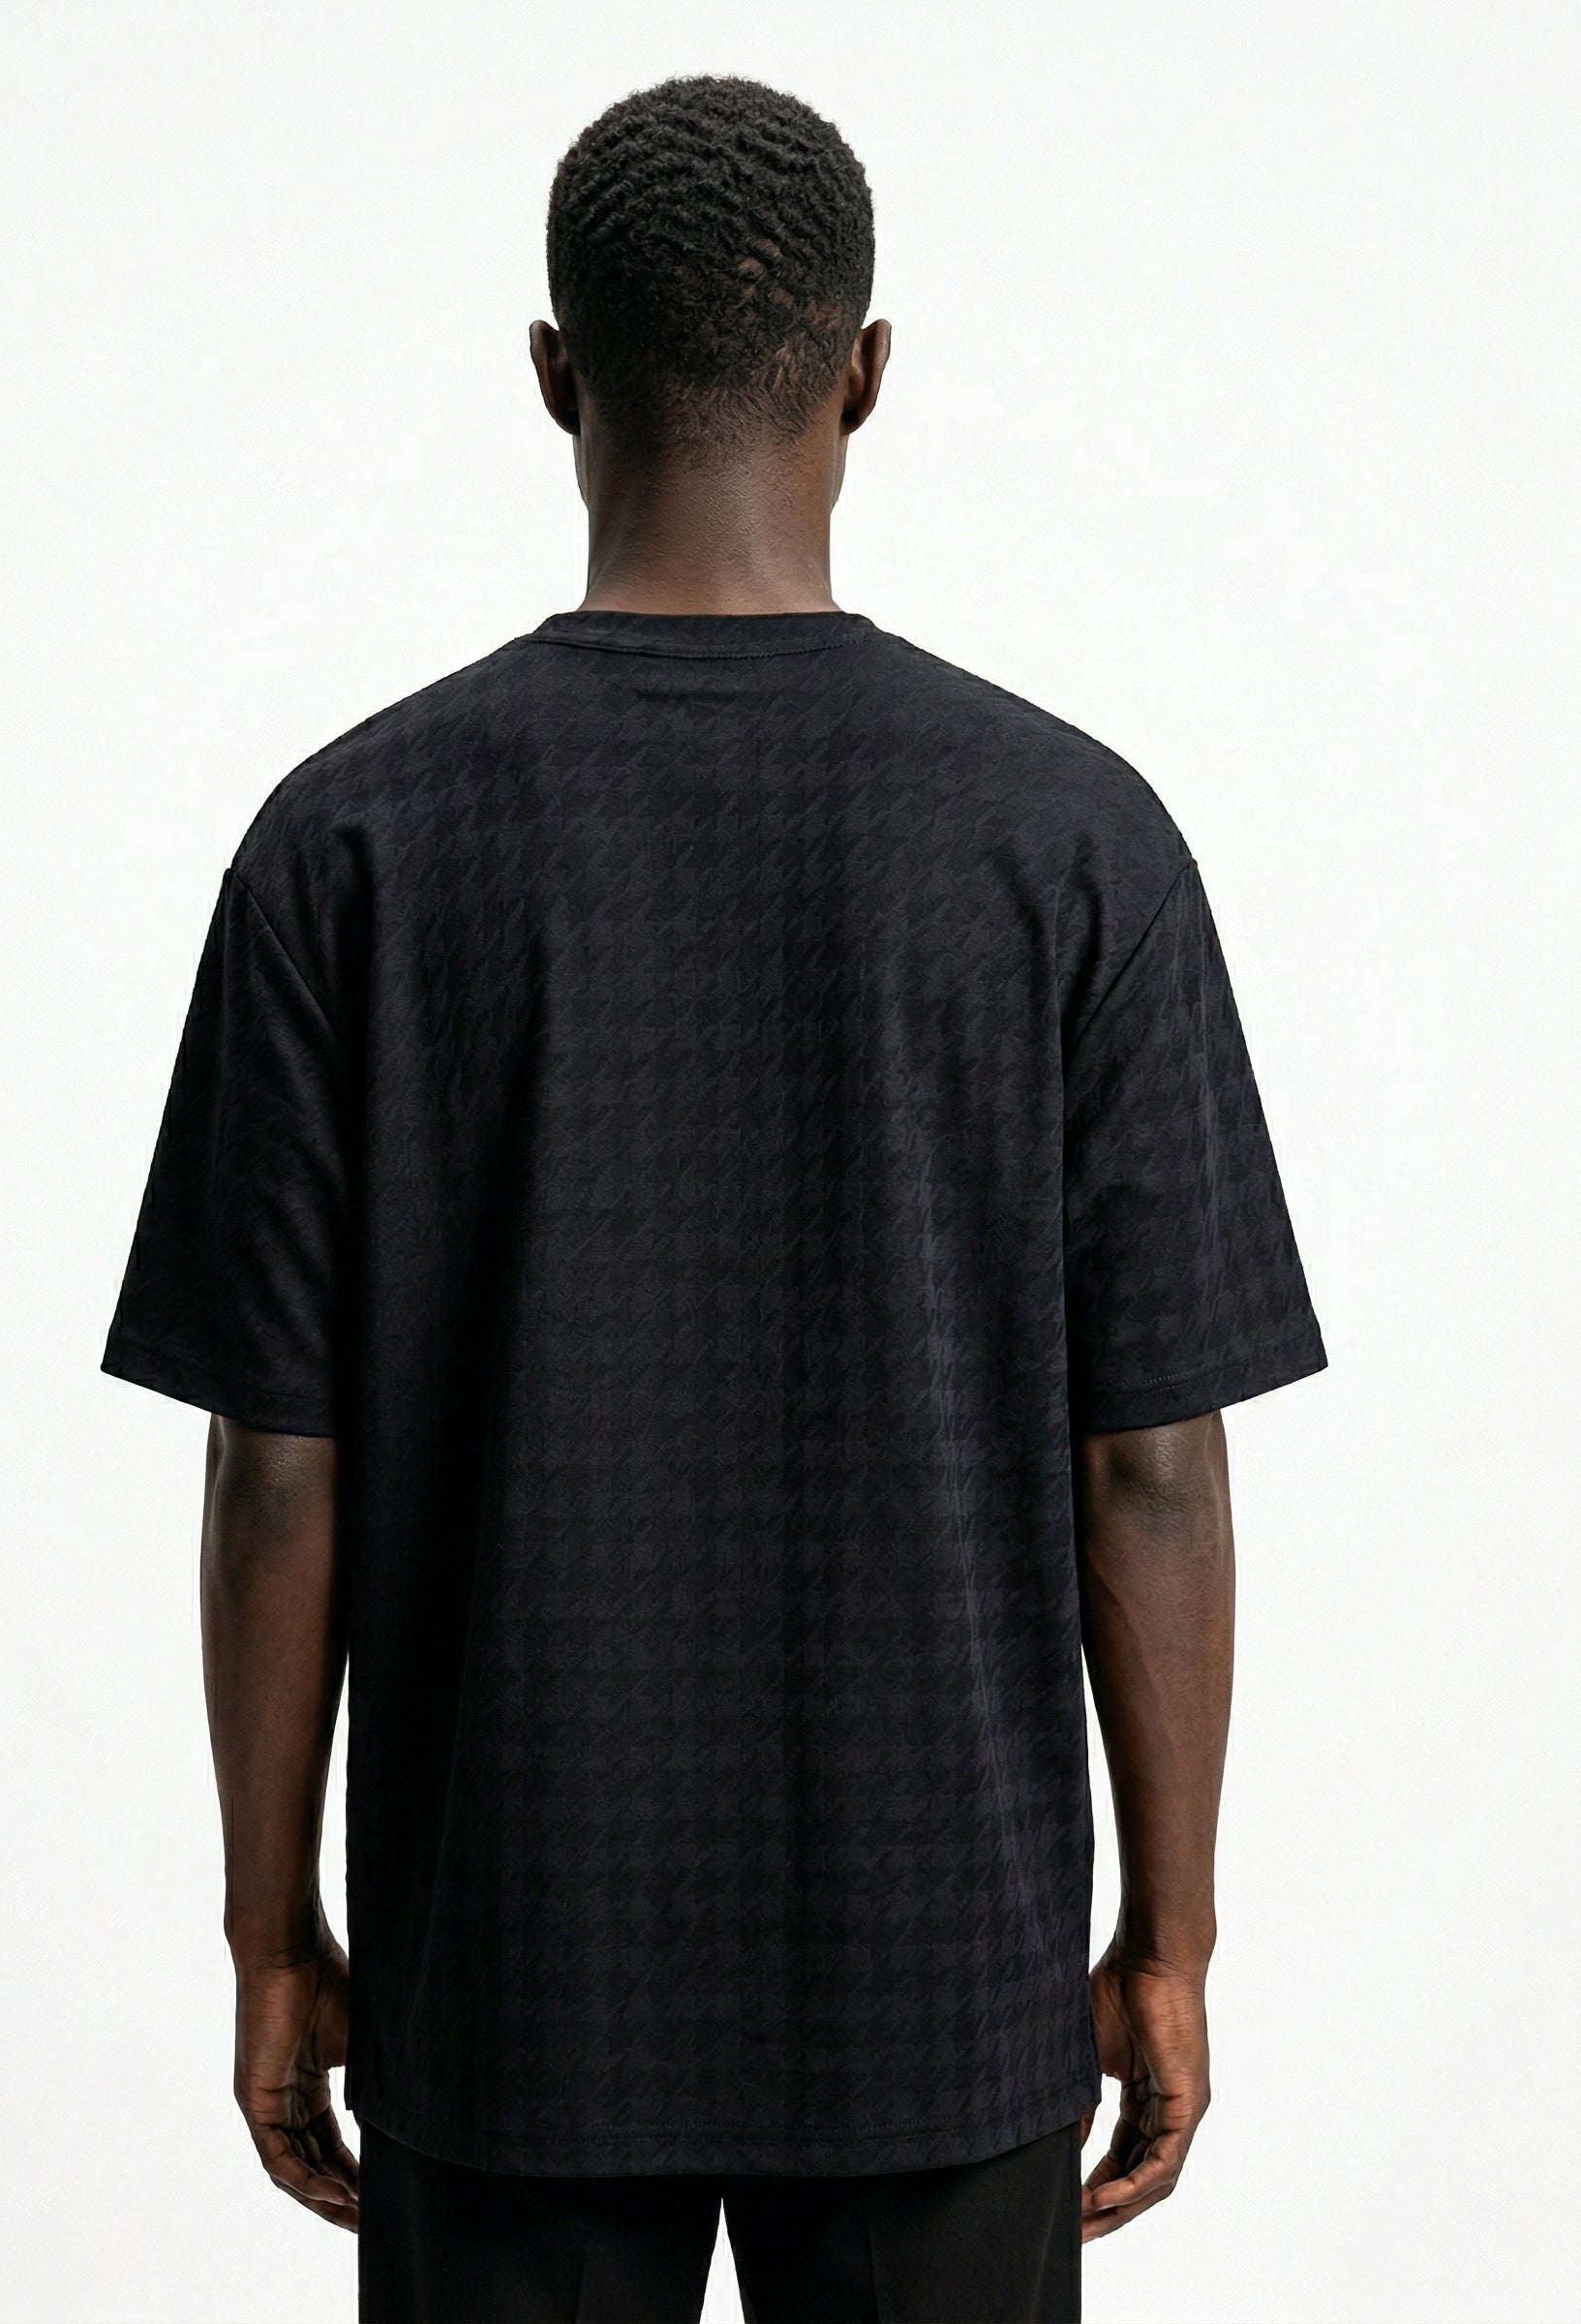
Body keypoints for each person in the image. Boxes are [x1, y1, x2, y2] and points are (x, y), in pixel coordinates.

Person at [102, 73, 1326, 2324]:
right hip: (936, 1977)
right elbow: (1149, 1461)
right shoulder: (1070, 842)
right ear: (864, 374)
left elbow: (276, 1466)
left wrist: (271, 1934)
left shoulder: (350, 843)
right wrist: (1168, 1939)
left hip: (507, 1970)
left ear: (551, 375)